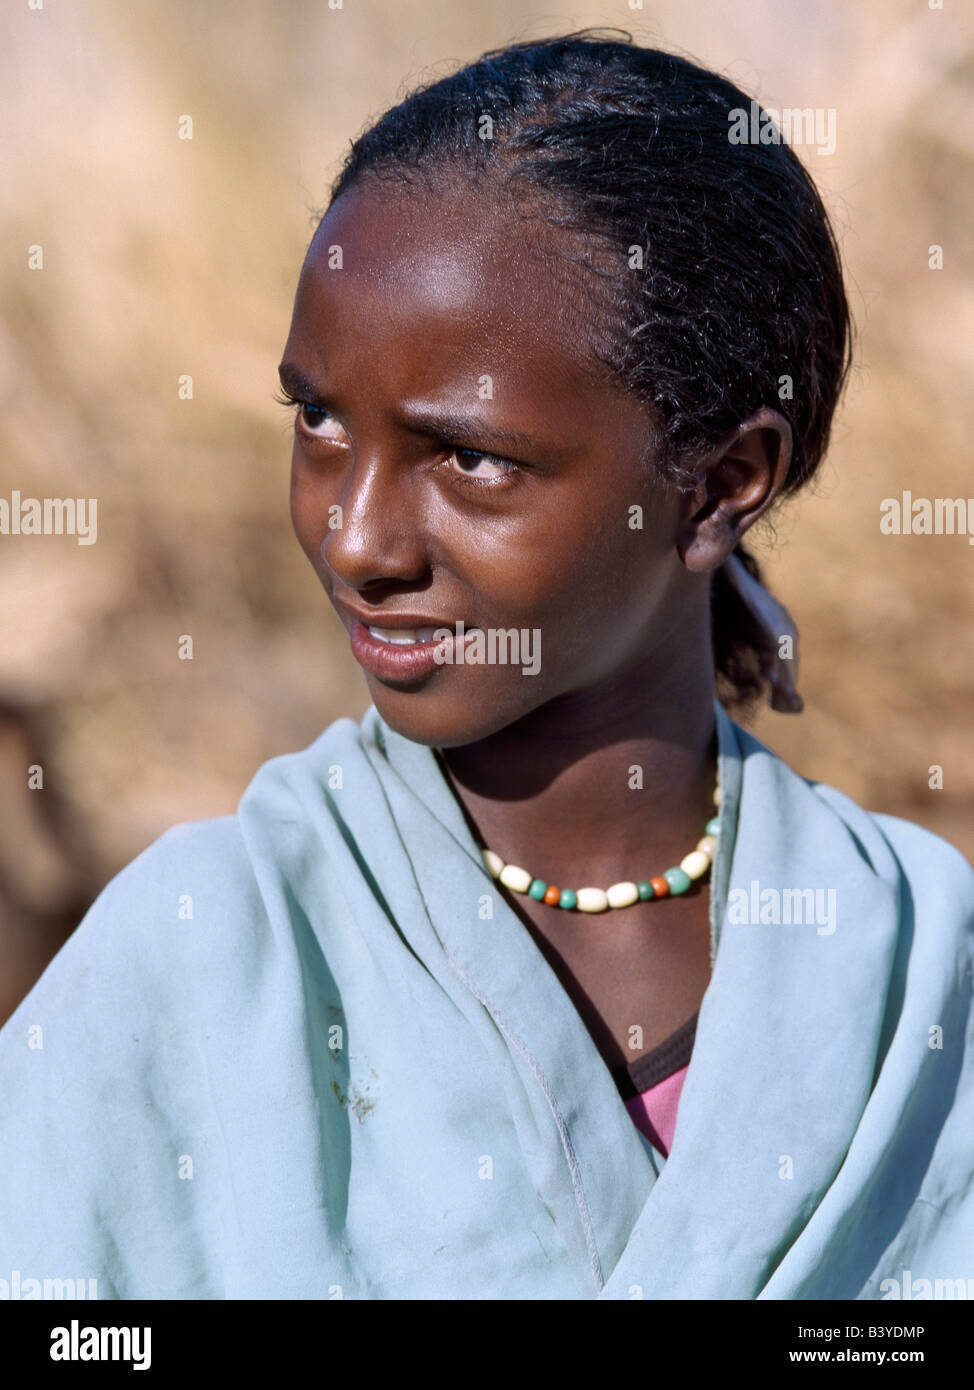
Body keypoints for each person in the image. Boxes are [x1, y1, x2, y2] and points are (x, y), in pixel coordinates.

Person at [1, 30, 972, 1302]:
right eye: (318, 420)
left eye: (469, 460)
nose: (354, 538)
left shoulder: (913, 976)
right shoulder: (199, 961)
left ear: (722, 483)